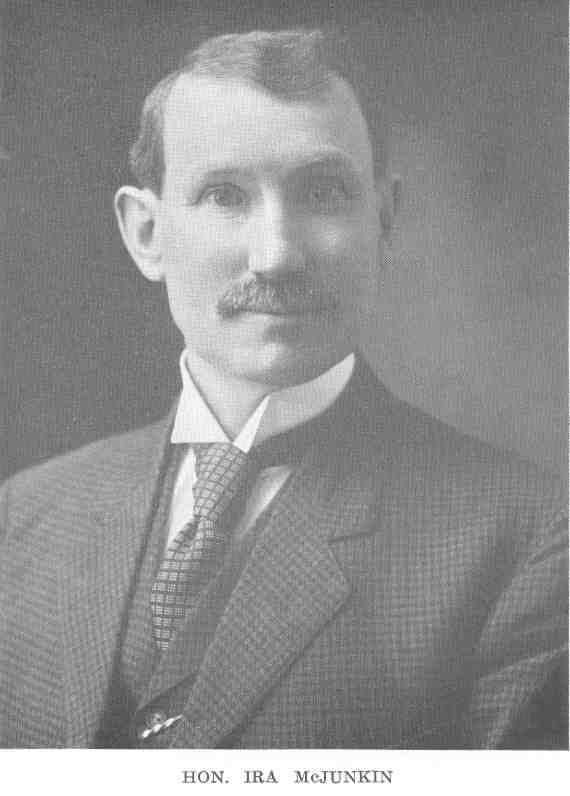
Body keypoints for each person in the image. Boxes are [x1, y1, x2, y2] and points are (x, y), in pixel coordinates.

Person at [0, 29, 567, 749]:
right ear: (147, 234)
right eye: (225, 195)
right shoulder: (22, 517)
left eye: (323, 193)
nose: (276, 255)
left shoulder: (526, 537)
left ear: (384, 220)